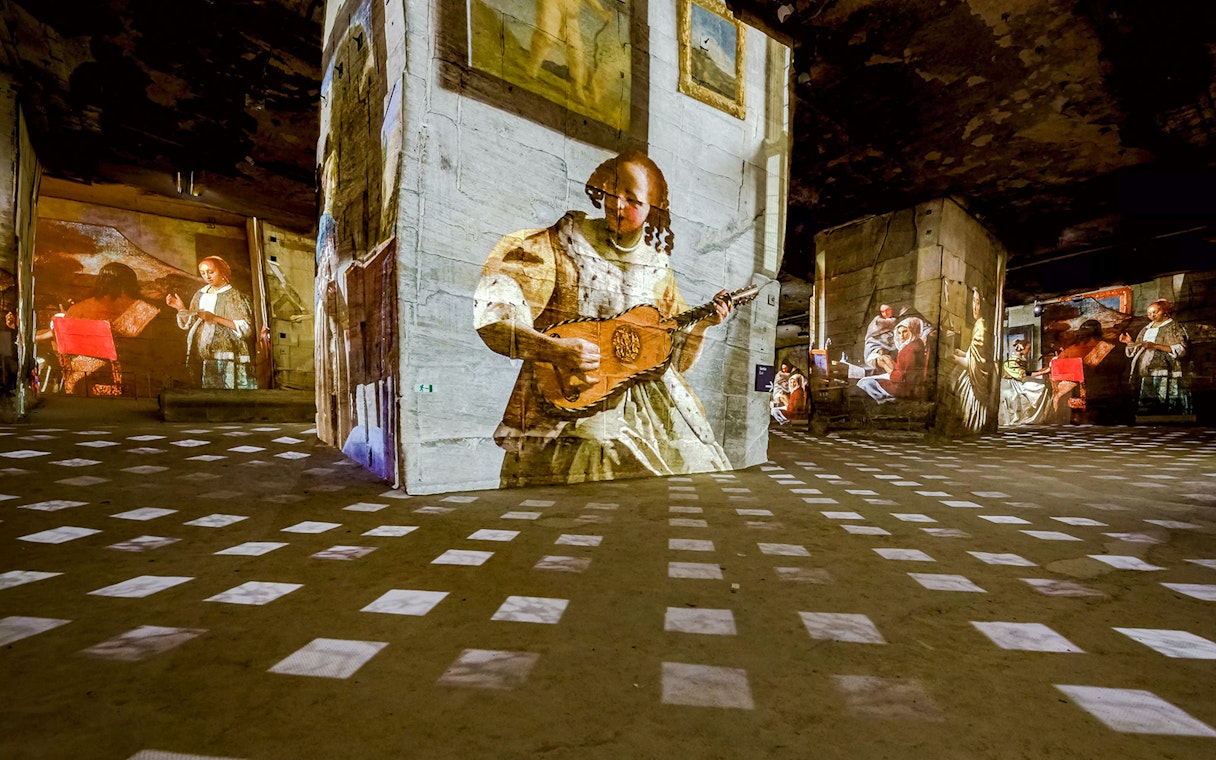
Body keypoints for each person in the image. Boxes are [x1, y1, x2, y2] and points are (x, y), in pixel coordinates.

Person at [474, 150, 732, 486]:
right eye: (612, 192)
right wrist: (556, 351)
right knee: (596, 454)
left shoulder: (657, 269)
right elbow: (492, 320)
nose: (617, 205)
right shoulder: (563, 243)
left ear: (653, 209)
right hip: (570, 395)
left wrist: (703, 325)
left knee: (689, 466)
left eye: (632, 199)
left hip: (648, 407)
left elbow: (675, 361)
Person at [58, 262, 163, 395]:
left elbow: (65, 346)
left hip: (78, 378)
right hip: (123, 379)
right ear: (130, 283)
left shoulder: (76, 308)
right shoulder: (145, 310)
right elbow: (147, 351)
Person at [166, 256, 257, 389]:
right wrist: (180, 308)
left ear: (222, 271)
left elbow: (246, 328)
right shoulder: (199, 294)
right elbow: (190, 324)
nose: (207, 276)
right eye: (203, 273)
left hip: (223, 356)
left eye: (211, 272)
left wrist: (214, 318)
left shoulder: (234, 296)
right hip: (199, 354)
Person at [1119, 299, 1191, 416]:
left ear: (1165, 312)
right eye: (1149, 313)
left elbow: (1182, 349)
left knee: (1166, 397)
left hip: (1166, 368)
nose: (1152, 315)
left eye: (1155, 312)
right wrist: (1129, 342)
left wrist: (1155, 346)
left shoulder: (1174, 327)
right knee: (1148, 397)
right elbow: (1138, 348)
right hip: (1146, 368)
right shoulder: (1146, 329)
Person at [951, 286, 997, 431]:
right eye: (973, 302)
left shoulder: (981, 327)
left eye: (977, 302)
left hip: (976, 378)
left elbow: (979, 361)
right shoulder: (979, 324)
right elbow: (975, 354)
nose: (974, 307)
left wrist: (956, 358)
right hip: (973, 370)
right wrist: (963, 353)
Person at [857, 317, 926, 404]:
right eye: (899, 333)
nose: (901, 336)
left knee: (865, 382)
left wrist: (884, 365)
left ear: (912, 331)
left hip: (905, 388)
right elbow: (904, 368)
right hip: (913, 384)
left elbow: (899, 378)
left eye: (905, 332)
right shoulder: (917, 343)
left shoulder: (908, 350)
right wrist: (891, 362)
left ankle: (885, 400)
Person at [998, 338, 1053, 426]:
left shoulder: (1020, 359)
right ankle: (1026, 418)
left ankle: (1040, 416)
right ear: (1022, 349)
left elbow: (1027, 372)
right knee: (1039, 388)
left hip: (1018, 382)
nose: (1029, 350)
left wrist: (1041, 370)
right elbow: (1024, 374)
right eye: (1028, 348)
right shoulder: (1012, 361)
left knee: (1041, 386)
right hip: (1011, 385)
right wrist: (1043, 372)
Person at [863, 304, 896, 373]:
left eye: (887, 310)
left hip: (893, 348)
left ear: (892, 309)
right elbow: (870, 339)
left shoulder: (897, 321)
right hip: (877, 347)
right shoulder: (877, 322)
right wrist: (877, 349)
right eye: (882, 311)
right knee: (880, 359)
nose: (885, 313)